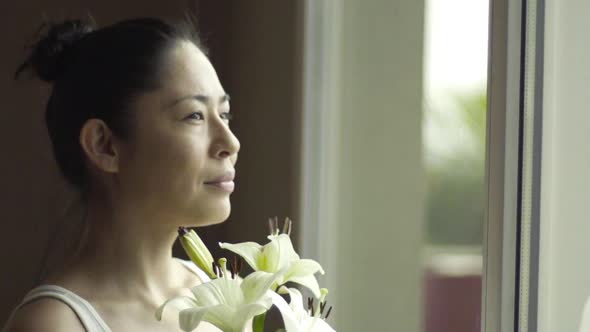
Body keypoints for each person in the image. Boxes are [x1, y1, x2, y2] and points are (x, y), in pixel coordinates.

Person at [3, 16, 240, 332]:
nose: (230, 143)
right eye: (194, 116)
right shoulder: (54, 325)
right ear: (105, 145)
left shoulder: (217, 293)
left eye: (224, 115)